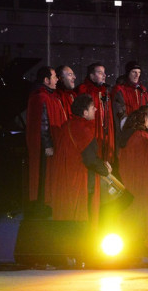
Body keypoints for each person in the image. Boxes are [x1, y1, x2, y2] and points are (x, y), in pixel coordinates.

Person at [47, 94, 111, 225]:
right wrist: (105, 170)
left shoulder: (68, 125)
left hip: (67, 179)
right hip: (80, 179)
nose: (96, 110)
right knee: (84, 217)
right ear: (84, 112)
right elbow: (89, 159)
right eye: (93, 107)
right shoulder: (82, 129)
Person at [26, 66, 67, 205]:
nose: (57, 79)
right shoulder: (41, 97)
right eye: (54, 77)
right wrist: (48, 144)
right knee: (44, 175)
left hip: (51, 143)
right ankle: (42, 204)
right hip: (45, 146)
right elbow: (42, 123)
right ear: (46, 79)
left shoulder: (49, 96)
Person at [117, 106, 148, 249]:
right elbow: (144, 161)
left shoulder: (128, 135)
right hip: (139, 182)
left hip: (128, 179)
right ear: (145, 118)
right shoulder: (141, 136)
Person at [77, 62, 115, 163]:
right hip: (91, 131)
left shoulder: (105, 91)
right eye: (100, 72)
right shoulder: (84, 89)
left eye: (104, 72)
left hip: (104, 132)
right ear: (92, 76)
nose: (104, 75)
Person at [112, 61, 148, 141]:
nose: (137, 75)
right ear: (128, 73)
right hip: (128, 131)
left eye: (139, 72)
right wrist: (129, 127)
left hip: (142, 129)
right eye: (134, 72)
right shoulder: (120, 89)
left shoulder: (142, 90)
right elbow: (119, 112)